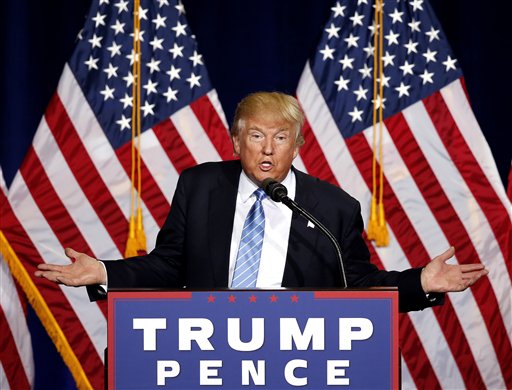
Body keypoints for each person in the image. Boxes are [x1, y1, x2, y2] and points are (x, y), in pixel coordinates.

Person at [35, 92, 488, 312]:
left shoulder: (333, 208)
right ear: (236, 142)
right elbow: (168, 265)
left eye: (280, 138)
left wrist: (420, 283)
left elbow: (359, 285)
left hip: (293, 358)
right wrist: (105, 272)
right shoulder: (200, 186)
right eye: (256, 136)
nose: (268, 149)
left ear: (297, 147)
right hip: (203, 351)